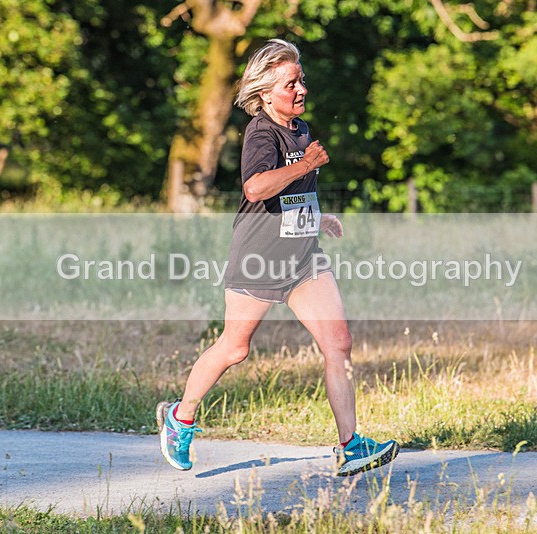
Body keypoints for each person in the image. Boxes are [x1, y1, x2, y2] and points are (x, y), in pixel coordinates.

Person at [157, 39, 398, 477]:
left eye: (301, 80)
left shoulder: (301, 129)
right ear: (266, 93)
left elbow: (291, 195)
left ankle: (351, 446)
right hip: (259, 260)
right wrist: (305, 165)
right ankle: (181, 417)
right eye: (291, 84)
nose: (301, 89)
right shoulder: (261, 132)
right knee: (235, 348)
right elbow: (256, 188)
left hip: (303, 260)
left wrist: (318, 218)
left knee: (339, 343)